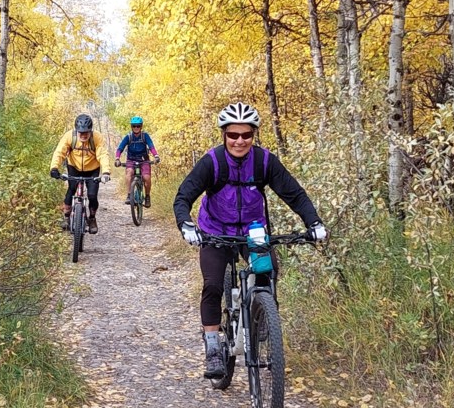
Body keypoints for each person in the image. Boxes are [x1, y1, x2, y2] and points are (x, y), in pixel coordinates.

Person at [172, 102, 328, 379]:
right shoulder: (213, 162)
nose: (240, 140)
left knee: (268, 270)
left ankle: (262, 313)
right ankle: (212, 347)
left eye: (246, 135)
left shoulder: (264, 161)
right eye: (233, 135)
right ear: (224, 135)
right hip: (215, 230)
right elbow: (184, 196)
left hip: (253, 229)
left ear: (254, 135)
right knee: (212, 284)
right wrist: (186, 225)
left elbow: (294, 194)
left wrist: (313, 222)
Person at [50, 113, 112, 234]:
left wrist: (105, 172)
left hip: (92, 169)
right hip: (74, 166)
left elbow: (103, 154)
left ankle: (92, 218)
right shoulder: (69, 136)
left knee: (92, 195)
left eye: (86, 132)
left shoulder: (97, 138)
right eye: (81, 132)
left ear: (91, 131)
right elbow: (59, 152)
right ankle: (67, 217)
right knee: (71, 189)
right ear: (76, 130)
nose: (83, 135)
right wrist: (54, 168)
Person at [115, 116, 160, 208]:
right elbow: (120, 148)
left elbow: (151, 146)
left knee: (146, 178)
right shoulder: (128, 137)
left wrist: (156, 156)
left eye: (138, 126)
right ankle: (128, 195)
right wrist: (117, 158)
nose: (136, 128)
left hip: (144, 160)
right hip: (131, 160)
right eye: (134, 126)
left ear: (141, 126)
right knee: (129, 173)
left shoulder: (145, 136)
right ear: (131, 126)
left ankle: (147, 196)